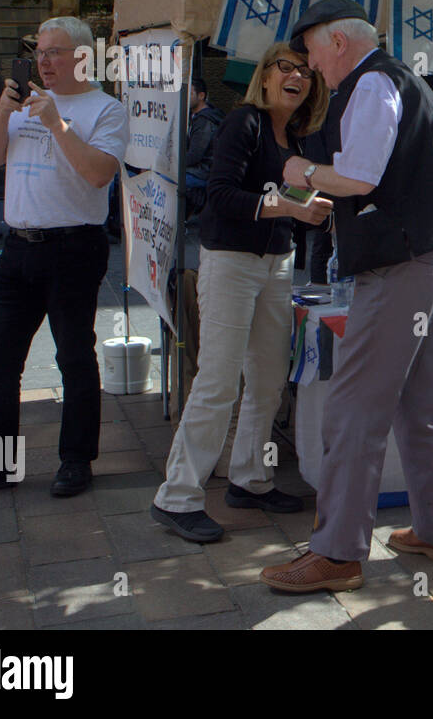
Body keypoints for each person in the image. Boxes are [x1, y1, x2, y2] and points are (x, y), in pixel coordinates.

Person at [259, 0, 433, 593]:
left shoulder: (373, 83)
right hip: (427, 258)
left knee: (352, 410)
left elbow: (359, 178)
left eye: (312, 52)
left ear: (339, 43)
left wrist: (300, 169)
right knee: (414, 407)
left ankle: (338, 553)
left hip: (400, 269)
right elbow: (373, 178)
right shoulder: (395, 80)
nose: (310, 66)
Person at [0, 16, 128, 500]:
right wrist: (4, 109)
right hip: (18, 244)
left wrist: (56, 123)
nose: (43, 61)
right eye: (38, 52)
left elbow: (98, 174)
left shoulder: (106, 110)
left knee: (74, 357)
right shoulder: (24, 104)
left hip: (73, 248)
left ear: (83, 57)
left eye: (54, 52)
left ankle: (76, 461)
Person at [150, 44, 331, 542]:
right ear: (266, 76)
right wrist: (289, 210)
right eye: (285, 67)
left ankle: (250, 479)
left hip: (277, 264)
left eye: (305, 71)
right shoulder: (243, 122)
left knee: (269, 379)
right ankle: (178, 496)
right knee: (219, 381)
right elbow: (221, 195)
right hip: (230, 261)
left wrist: (309, 205)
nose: (296, 76)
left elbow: (287, 198)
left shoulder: (296, 134)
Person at [184, 76, 225, 217]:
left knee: (167, 181)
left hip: (203, 172)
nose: (186, 97)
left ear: (201, 96)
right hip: (199, 170)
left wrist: (173, 166)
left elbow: (195, 155)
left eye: (189, 93)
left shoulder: (205, 121)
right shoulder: (194, 116)